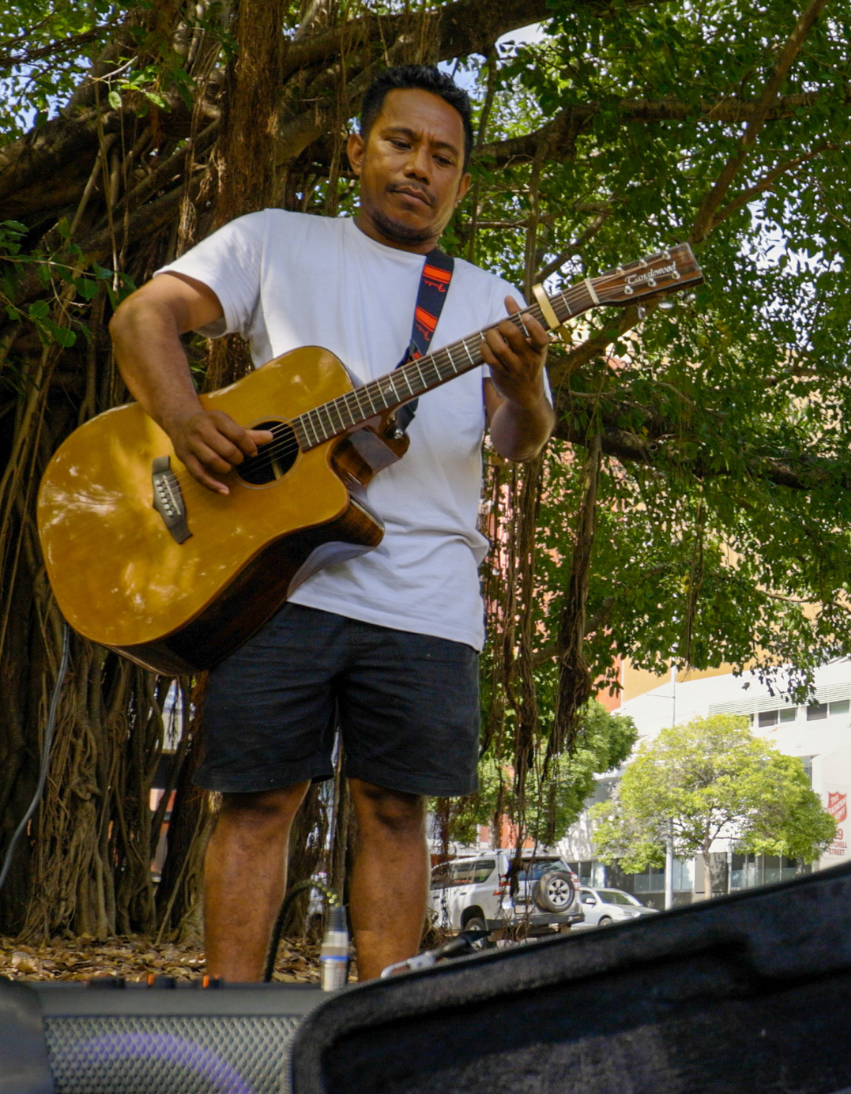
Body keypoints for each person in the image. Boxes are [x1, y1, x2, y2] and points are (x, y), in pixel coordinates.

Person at [108, 63, 556, 981]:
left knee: (397, 810)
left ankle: (372, 1032)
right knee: (255, 803)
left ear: (461, 181)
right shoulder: (274, 241)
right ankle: (232, 1026)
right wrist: (188, 421)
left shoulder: (489, 297)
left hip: (428, 593)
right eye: (401, 143)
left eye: (444, 157)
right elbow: (144, 315)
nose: (419, 168)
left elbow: (519, 440)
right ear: (357, 150)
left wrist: (523, 389)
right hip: (276, 580)